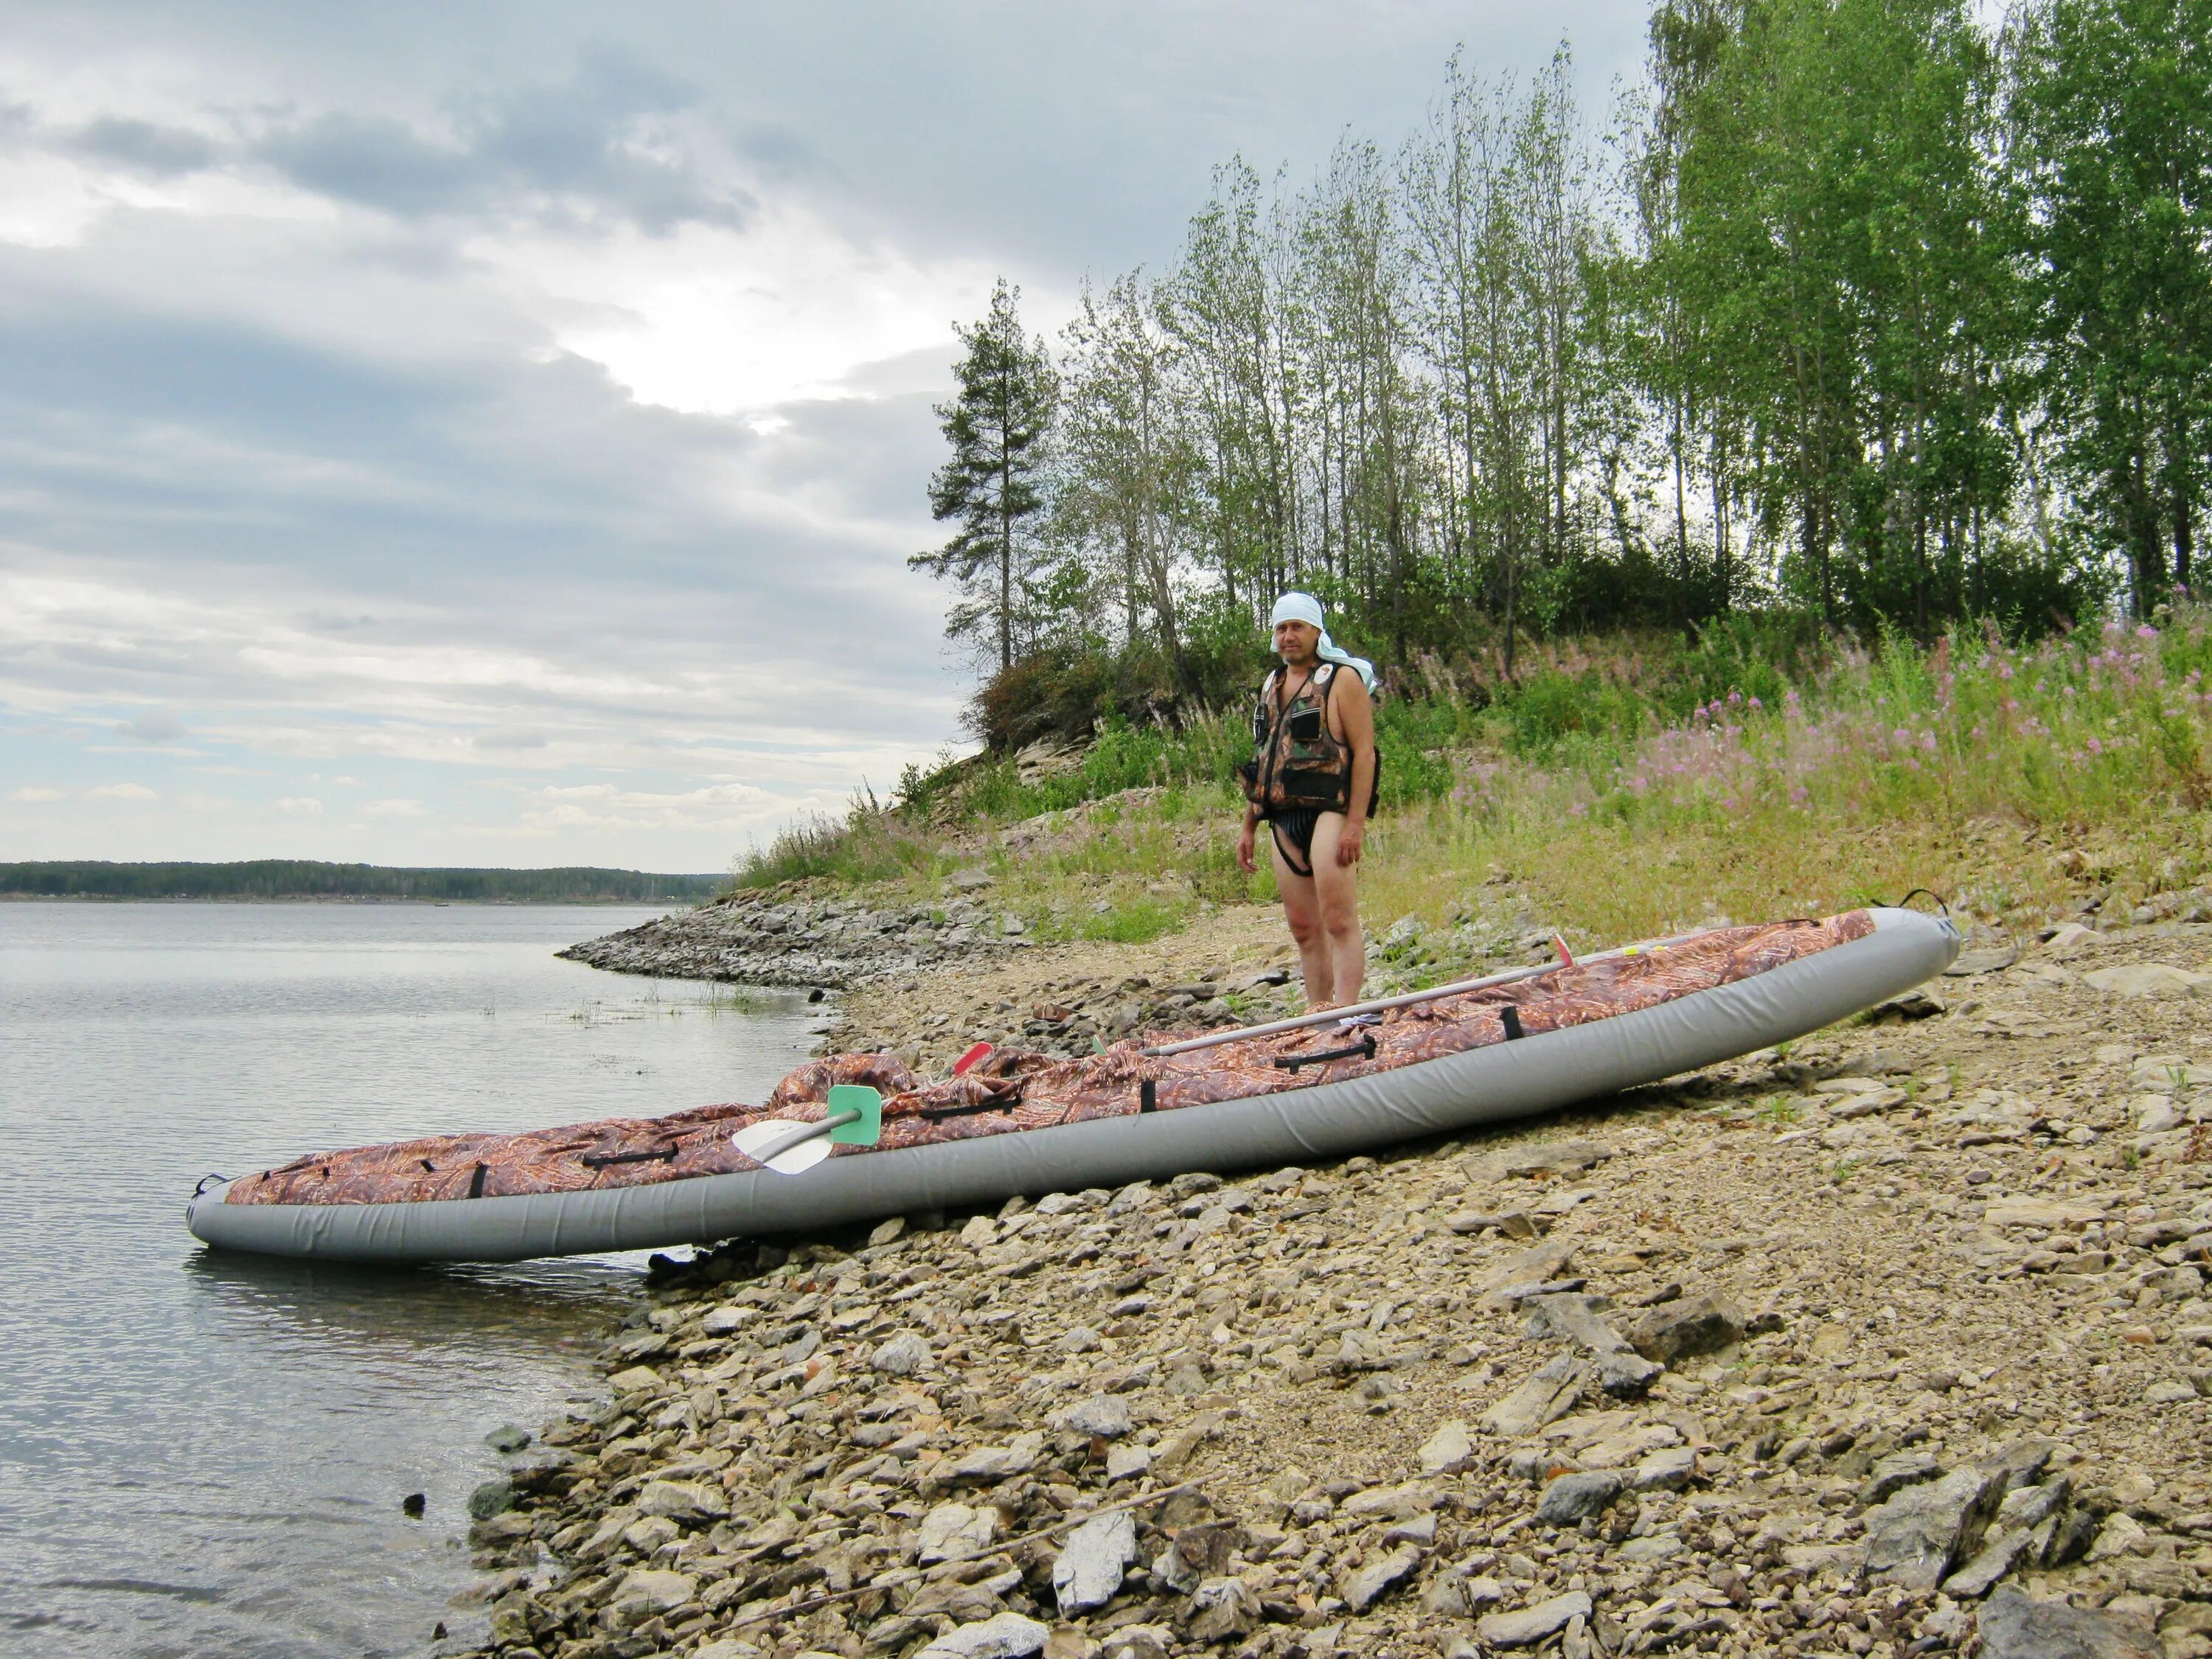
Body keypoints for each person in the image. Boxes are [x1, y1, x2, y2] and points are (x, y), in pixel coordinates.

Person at [1236, 591, 1377, 1009]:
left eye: (1297, 627)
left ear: (1317, 632)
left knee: (1337, 920)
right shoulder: (1270, 686)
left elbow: (1365, 753)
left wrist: (1355, 823)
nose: (1289, 636)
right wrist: (1248, 826)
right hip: (1283, 817)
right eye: (1281, 628)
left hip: (1328, 811)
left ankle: (1348, 1013)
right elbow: (1264, 760)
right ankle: (1318, 1017)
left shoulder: (1342, 680)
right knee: (1303, 929)